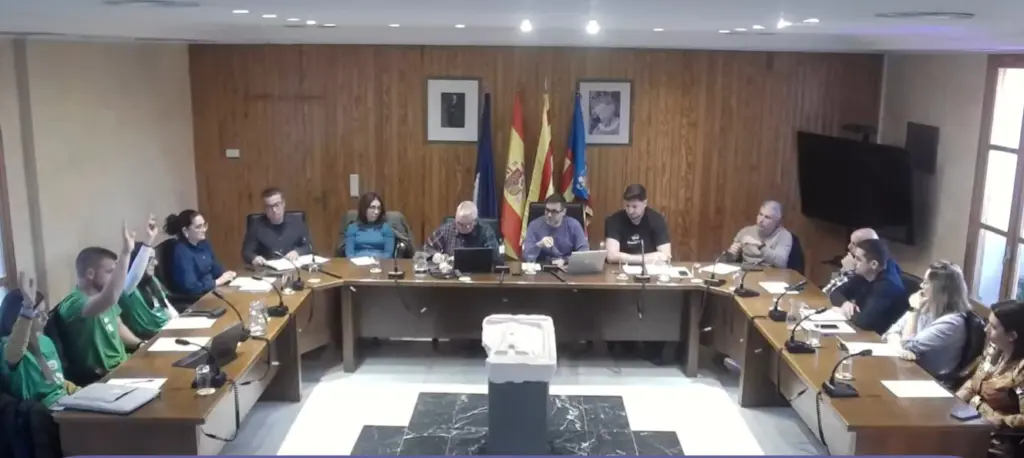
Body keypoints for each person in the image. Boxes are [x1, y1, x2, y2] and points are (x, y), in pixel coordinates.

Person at [56, 222, 139, 385]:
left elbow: (117, 325)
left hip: (126, 365)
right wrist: (125, 253)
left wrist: (140, 344)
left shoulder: (102, 295)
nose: (113, 277)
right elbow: (110, 297)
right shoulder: (73, 303)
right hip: (104, 378)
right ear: (90, 274)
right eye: (110, 272)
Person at [956, 299, 1024, 456]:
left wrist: (995, 419)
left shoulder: (1021, 370)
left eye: (993, 327)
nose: (985, 329)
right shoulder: (995, 348)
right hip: (970, 421)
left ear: (1012, 336)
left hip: (996, 439)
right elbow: (975, 383)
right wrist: (953, 402)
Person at [0, 273, 78, 407]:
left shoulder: (45, 340)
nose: (45, 318)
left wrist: (77, 391)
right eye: (38, 314)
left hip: (65, 401)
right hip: (41, 411)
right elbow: (15, 350)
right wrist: (27, 308)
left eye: (44, 312)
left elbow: (55, 380)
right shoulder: (8, 346)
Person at [882, 261, 970, 378]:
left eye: (926, 283)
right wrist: (900, 349)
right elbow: (890, 332)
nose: (921, 286)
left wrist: (914, 310)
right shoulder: (927, 305)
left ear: (939, 290)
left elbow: (907, 345)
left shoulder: (952, 323)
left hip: (929, 380)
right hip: (907, 371)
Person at [830, 238, 909, 335]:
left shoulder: (887, 286)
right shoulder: (864, 274)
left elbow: (863, 322)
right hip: (863, 332)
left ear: (873, 264)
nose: (854, 262)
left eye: (858, 259)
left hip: (882, 337)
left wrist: (843, 312)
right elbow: (835, 293)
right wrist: (845, 303)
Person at [119, 239, 180, 340]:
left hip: (170, 329)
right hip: (151, 337)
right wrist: (148, 242)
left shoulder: (152, 280)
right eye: (150, 259)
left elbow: (166, 306)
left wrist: (179, 321)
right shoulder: (127, 288)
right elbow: (135, 275)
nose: (155, 263)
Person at [166, 209, 236, 296]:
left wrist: (226, 274)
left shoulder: (204, 243)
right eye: (198, 227)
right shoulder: (181, 252)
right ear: (185, 231)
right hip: (196, 298)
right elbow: (191, 287)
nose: (204, 230)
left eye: (204, 225)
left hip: (212, 290)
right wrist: (216, 282)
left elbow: (215, 266)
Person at [242, 187, 312, 266]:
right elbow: (246, 252)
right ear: (265, 209)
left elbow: (308, 247)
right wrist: (254, 258)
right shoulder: (256, 226)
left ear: (283, 204)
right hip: (267, 269)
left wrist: (297, 252)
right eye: (269, 207)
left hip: (293, 267)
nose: (274, 210)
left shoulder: (297, 222)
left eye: (277, 205)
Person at [605, 184, 671, 265]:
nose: (630, 211)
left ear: (645, 203)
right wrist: (644, 259)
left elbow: (665, 255)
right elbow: (611, 256)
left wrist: (623, 257)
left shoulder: (657, 219)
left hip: (650, 269)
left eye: (634, 207)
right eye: (627, 206)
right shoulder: (614, 220)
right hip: (620, 269)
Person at [424, 201, 499, 263]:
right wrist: (435, 255)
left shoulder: (485, 231)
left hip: (478, 273)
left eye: (467, 225)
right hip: (451, 273)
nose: (461, 228)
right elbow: (428, 247)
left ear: (475, 222)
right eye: (459, 223)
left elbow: (494, 254)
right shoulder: (446, 230)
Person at [523, 194, 588, 264]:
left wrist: (565, 260)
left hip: (566, 267)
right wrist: (539, 245)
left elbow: (584, 252)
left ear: (563, 212)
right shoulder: (534, 225)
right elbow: (527, 257)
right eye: (547, 210)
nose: (549, 215)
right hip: (542, 267)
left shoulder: (574, 225)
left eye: (554, 211)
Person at [726, 200, 792, 268]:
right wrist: (731, 253)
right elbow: (729, 260)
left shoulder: (784, 236)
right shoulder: (745, 232)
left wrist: (760, 245)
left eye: (767, 217)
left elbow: (781, 262)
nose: (761, 220)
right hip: (747, 271)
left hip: (770, 272)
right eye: (760, 214)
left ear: (777, 221)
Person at [345, 192, 396, 259]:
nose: (376, 212)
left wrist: (376, 262)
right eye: (372, 207)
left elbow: (388, 254)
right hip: (357, 262)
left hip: (380, 263)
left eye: (379, 208)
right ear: (364, 208)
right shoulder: (352, 228)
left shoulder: (386, 228)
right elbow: (349, 254)